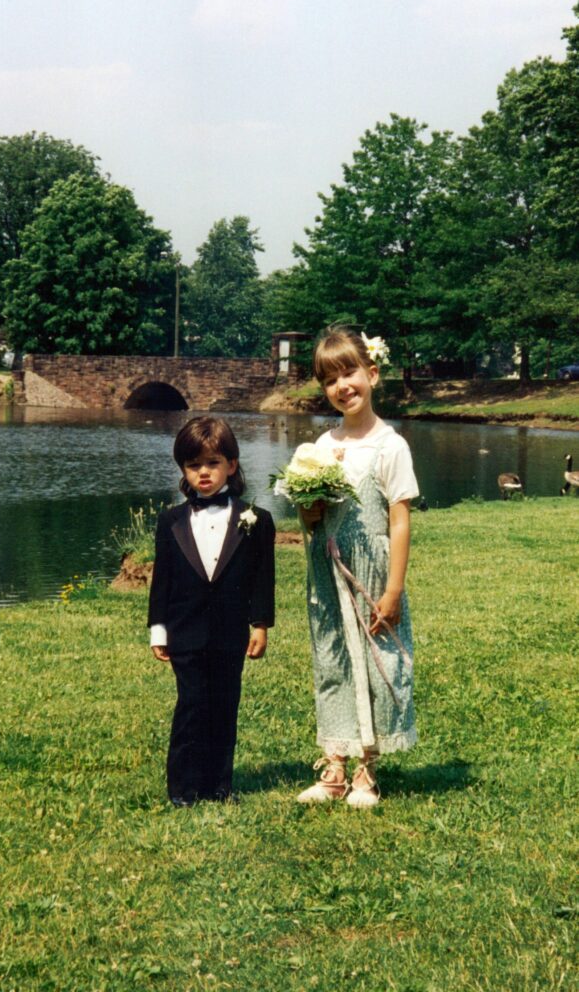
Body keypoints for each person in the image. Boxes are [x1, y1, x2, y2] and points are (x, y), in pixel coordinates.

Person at [297, 326, 419, 807]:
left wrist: (393, 590)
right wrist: (307, 511)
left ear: (372, 373)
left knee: (374, 661)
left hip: (370, 569)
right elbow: (312, 514)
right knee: (333, 660)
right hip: (328, 572)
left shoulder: (391, 445)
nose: (342, 386)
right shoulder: (320, 448)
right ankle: (334, 762)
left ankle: (368, 766)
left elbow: (399, 520)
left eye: (350, 373)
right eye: (330, 380)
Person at [148, 416, 275, 807]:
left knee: (224, 705)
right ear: (183, 470)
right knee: (191, 706)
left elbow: (261, 579)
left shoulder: (256, 519)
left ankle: (220, 787)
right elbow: (162, 580)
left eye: (213, 463)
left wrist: (260, 624)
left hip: (229, 633)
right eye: (193, 465)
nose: (203, 473)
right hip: (184, 632)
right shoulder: (171, 521)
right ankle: (183, 789)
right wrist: (158, 630)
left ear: (231, 466)